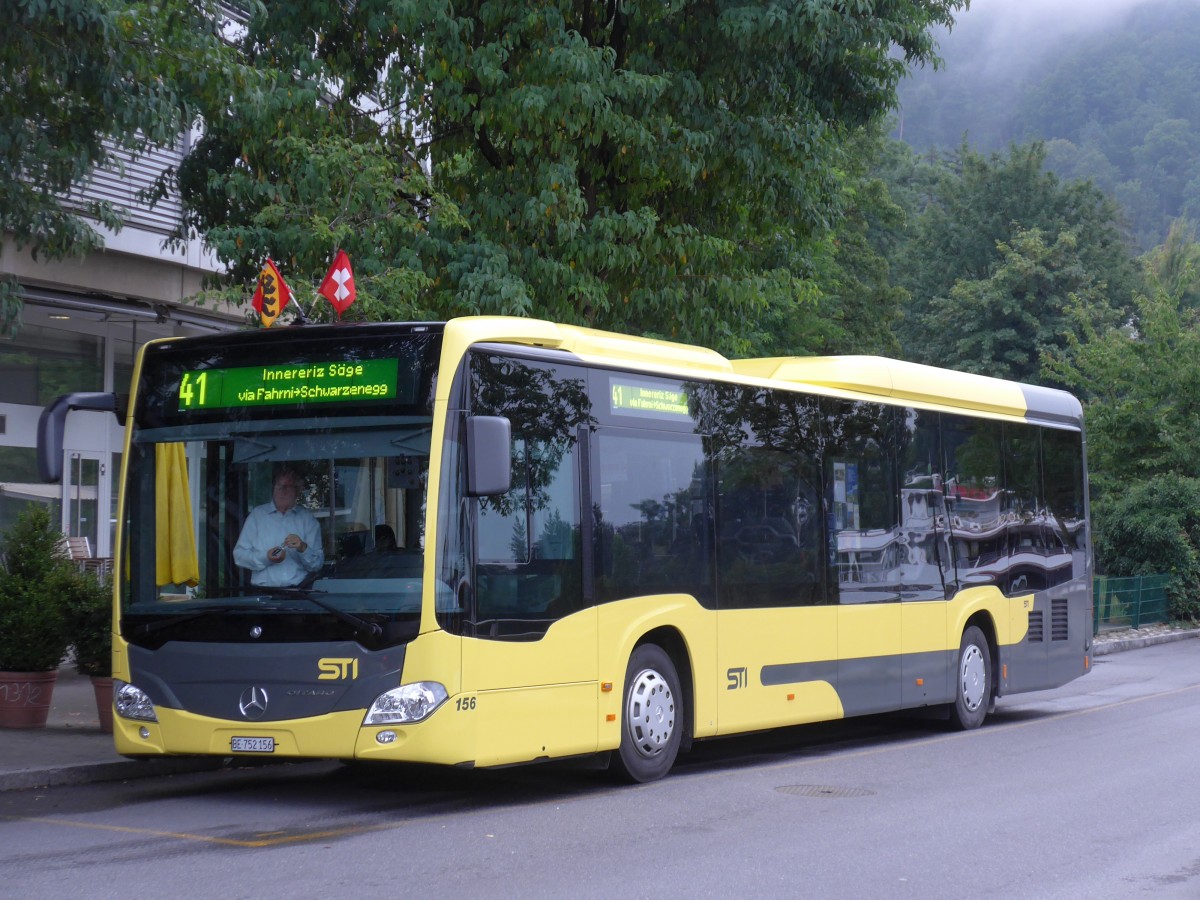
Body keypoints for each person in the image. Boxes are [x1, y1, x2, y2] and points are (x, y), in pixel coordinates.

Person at [233, 467, 324, 586]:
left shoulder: (307, 520)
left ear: (297, 491)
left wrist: (303, 548)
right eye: (279, 486)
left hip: (298, 593)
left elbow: (317, 565)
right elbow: (239, 556)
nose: (282, 491)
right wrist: (266, 557)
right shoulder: (258, 516)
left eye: (287, 487)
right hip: (263, 595)